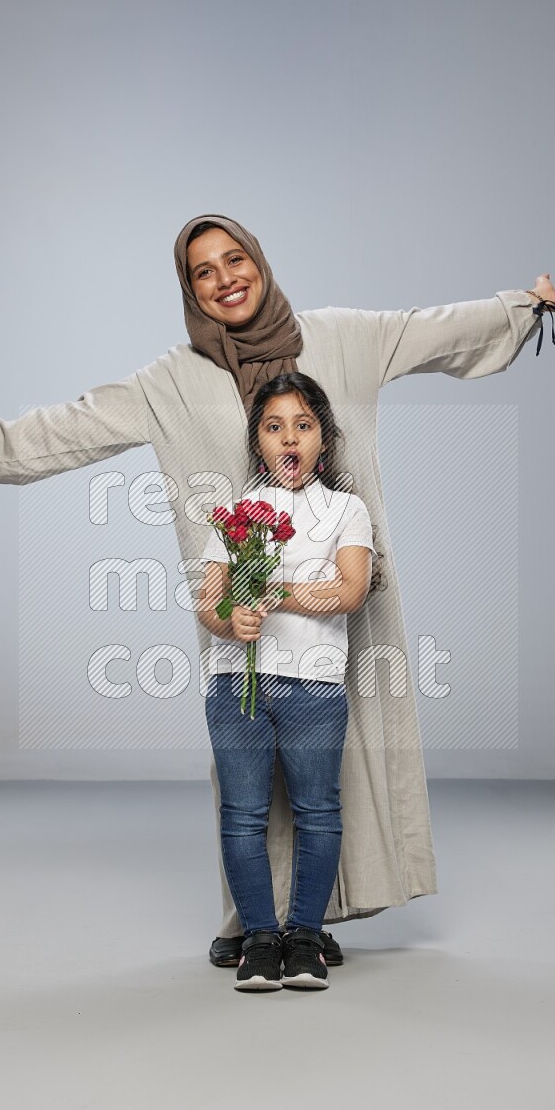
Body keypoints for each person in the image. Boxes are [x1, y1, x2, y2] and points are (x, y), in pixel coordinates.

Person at [0, 214, 555, 968]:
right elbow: (75, 425)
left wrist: (521, 308)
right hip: (238, 622)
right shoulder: (169, 381)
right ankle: (255, 921)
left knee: (337, 760)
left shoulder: (338, 339)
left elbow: (429, 331)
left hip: (344, 593)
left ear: (260, 264)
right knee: (245, 783)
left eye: (234, 259)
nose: (224, 278)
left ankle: (311, 919)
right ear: (190, 289)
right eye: (203, 271)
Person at [197, 372, 377, 991]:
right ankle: (259, 941)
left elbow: (350, 590)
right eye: (275, 427)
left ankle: (304, 936)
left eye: (303, 425)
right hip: (236, 685)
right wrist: (230, 618)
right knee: (242, 814)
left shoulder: (346, 509)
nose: (290, 438)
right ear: (259, 442)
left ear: (322, 439)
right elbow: (209, 605)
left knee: (318, 811)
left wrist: (278, 594)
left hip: (313, 685)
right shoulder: (240, 509)